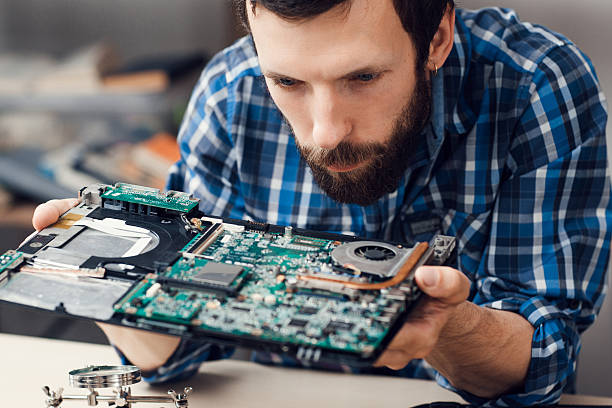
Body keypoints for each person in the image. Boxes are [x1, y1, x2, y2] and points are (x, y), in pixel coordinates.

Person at [32, 0, 611, 406]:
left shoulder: (538, 85)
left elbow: (542, 367)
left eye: (362, 77)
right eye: (288, 83)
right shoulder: (230, 94)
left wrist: (449, 327)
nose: (326, 131)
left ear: (435, 38)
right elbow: (182, 352)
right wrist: (119, 284)